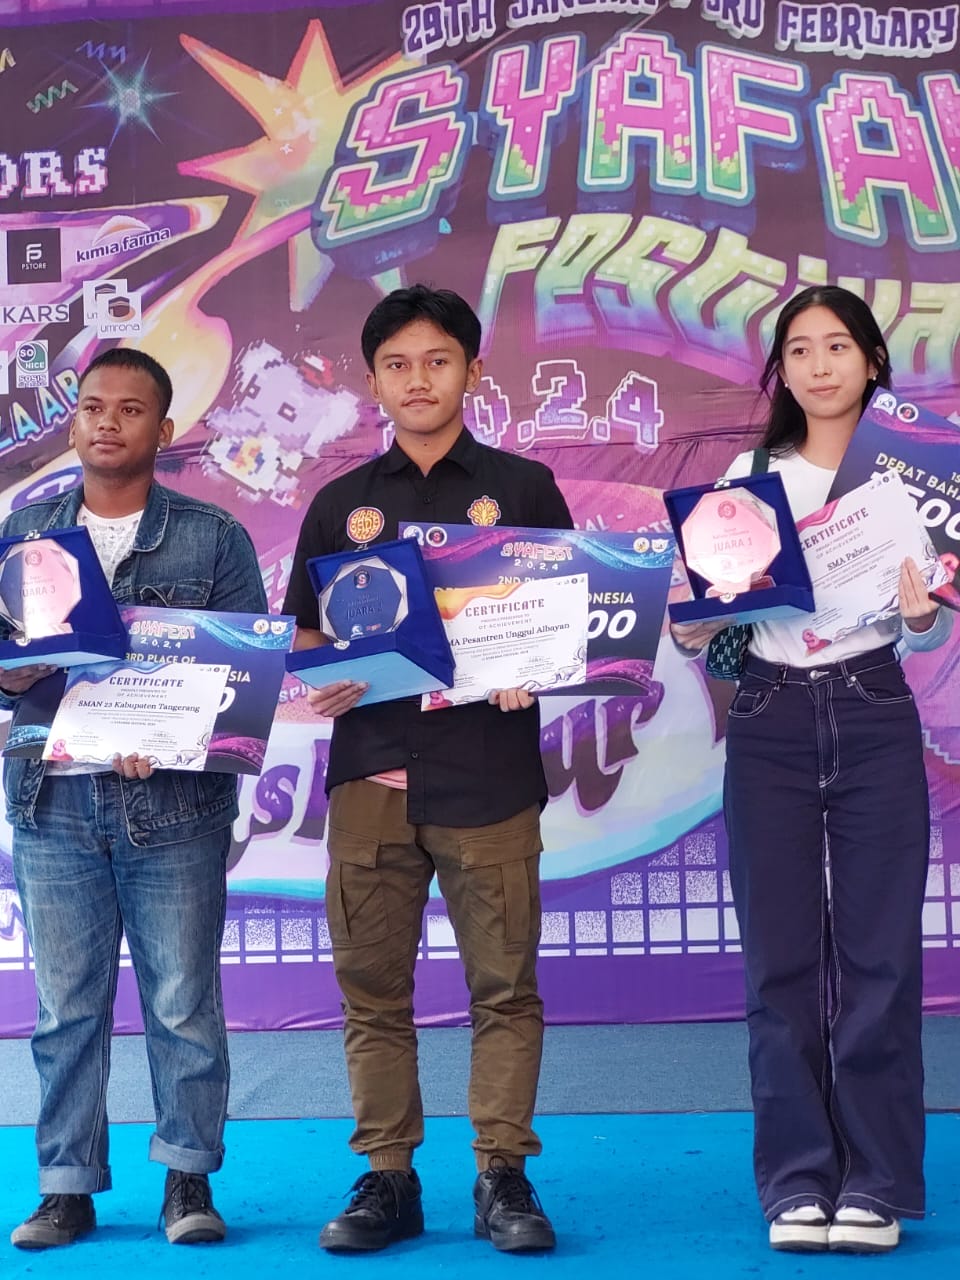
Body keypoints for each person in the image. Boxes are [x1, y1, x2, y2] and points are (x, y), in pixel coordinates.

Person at [283, 285, 573, 1254]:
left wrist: (532, 666)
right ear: (373, 382)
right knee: (372, 993)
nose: (419, 379)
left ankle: (503, 1173)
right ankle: (388, 1176)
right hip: (372, 778)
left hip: (488, 777)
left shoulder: (523, 491)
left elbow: (569, 624)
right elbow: (305, 633)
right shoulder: (340, 504)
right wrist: (321, 673)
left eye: (438, 360)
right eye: (398, 364)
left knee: (506, 988)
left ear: (473, 372)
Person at [671, 286, 952, 1255]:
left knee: (881, 960)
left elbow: (928, 627)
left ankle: (875, 1182)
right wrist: (695, 621)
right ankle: (797, 1178)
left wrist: (923, 618)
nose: (820, 364)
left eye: (838, 346)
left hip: (874, 706)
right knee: (779, 962)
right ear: (781, 371)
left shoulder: (913, 476)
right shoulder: (750, 479)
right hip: (769, 714)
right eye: (800, 349)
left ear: (873, 360)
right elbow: (704, 616)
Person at [0, 349, 268, 1250]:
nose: (107, 421)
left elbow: (243, 678)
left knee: (183, 1004)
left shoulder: (214, 538)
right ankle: (65, 1187)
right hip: (53, 801)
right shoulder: (22, 533)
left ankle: (187, 1179)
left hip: (175, 807)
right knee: (64, 1009)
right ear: (73, 421)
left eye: (130, 408)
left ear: (165, 428)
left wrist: (173, 732)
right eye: (92, 406)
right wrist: (14, 676)